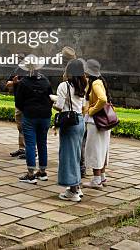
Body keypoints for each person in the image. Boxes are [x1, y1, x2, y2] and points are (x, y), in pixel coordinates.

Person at [53, 58, 86, 202]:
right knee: (76, 154)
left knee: (68, 155)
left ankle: (72, 190)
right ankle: (77, 186)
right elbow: (82, 105)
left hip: (69, 123)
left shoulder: (64, 86)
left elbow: (59, 106)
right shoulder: (82, 85)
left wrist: (51, 101)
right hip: (80, 121)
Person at [14, 64, 53, 183]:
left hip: (30, 115)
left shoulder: (24, 82)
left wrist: (26, 109)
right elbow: (50, 98)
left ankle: (30, 174)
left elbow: (18, 101)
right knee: (42, 143)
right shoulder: (45, 81)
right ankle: (42, 172)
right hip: (45, 116)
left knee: (30, 144)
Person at [83, 59, 110, 189]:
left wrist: (91, 111)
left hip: (96, 122)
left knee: (94, 149)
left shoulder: (95, 83)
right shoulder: (99, 81)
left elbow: (103, 99)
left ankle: (96, 180)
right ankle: (102, 177)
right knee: (102, 149)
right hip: (103, 121)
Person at [5, 54, 26, 158]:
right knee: (20, 127)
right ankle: (22, 148)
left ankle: (30, 150)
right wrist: (14, 83)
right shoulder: (16, 71)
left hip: (28, 105)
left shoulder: (32, 73)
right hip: (18, 103)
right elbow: (7, 84)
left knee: (28, 127)